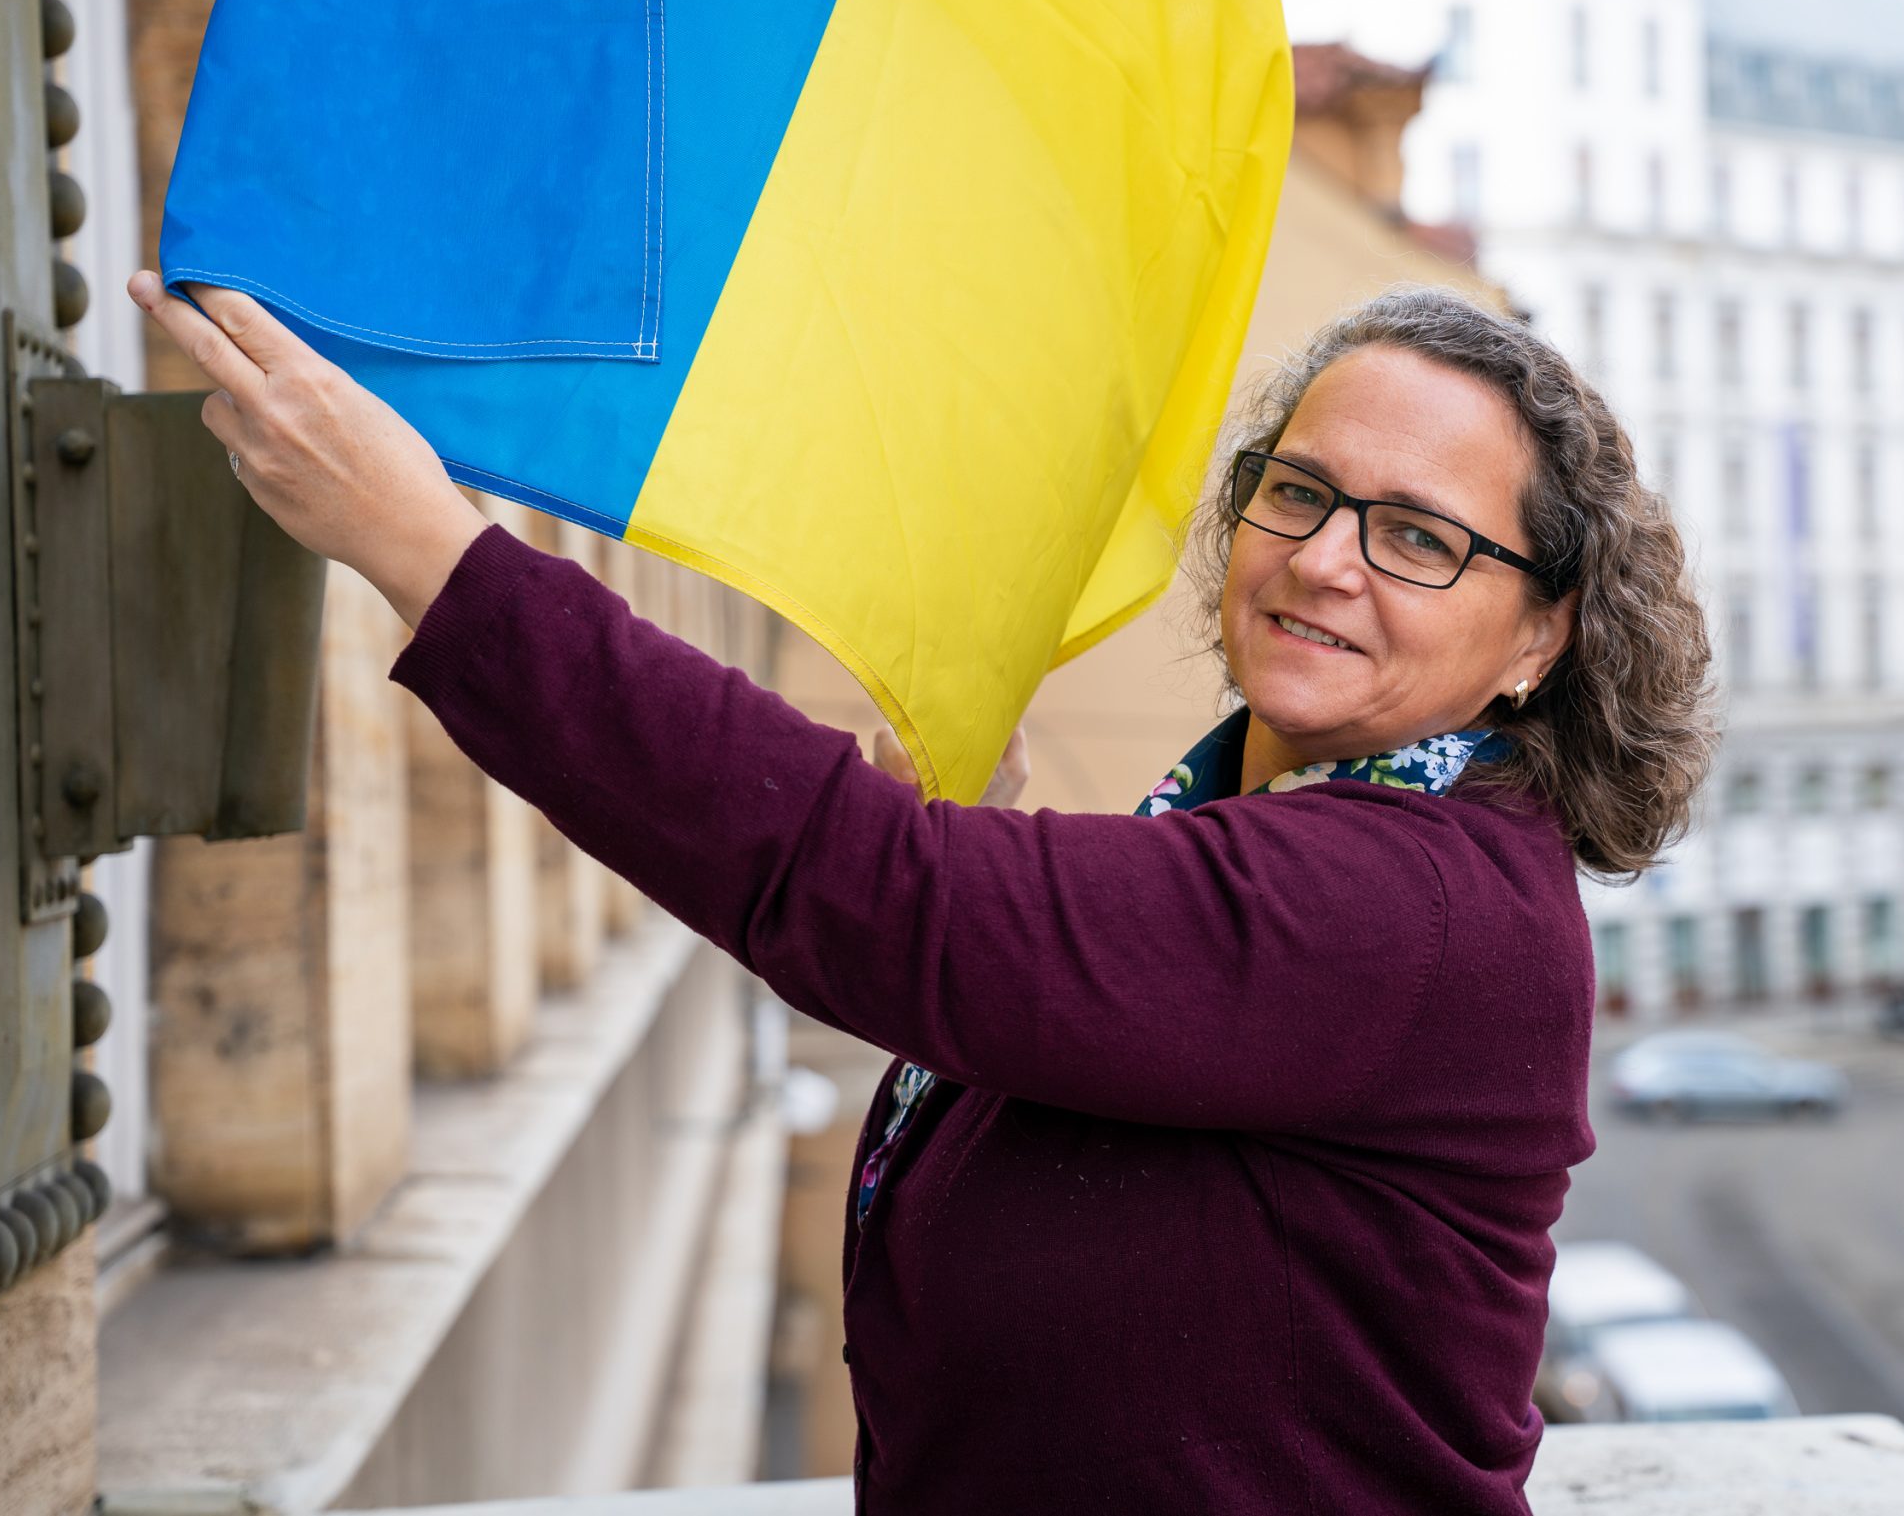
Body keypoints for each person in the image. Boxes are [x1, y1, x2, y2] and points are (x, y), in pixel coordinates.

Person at [129, 272, 1716, 1514]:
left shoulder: (1420, 908)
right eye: (1297, 490)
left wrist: (431, 551)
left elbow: (886, 904)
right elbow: (1028, 1008)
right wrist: (980, 863)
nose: (1324, 557)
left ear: (1541, 635)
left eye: (1420, 537)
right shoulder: (1262, 829)